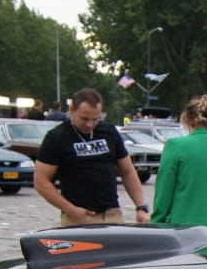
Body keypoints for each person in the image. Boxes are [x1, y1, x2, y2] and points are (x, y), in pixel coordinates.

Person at [34, 87, 149, 226]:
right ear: (72, 110)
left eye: (95, 119)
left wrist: (140, 206)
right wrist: (69, 209)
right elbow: (41, 181)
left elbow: (128, 171)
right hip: (78, 217)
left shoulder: (108, 132)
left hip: (111, 214)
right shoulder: (56, 137)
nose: (89, 124)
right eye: (84, 119)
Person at [150, 94, 207, 236]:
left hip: (185, 235)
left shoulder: (175, 147)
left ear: (186, 118)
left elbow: (163, 198)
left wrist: (155, 230)